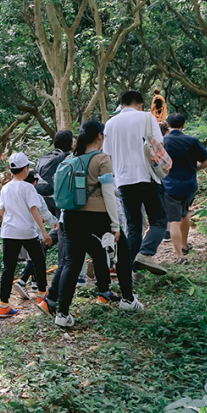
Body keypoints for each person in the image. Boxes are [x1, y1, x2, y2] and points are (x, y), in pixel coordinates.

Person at [50, 121, 145, 327]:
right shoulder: (102, 159)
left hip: (72, 215)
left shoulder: (71, 159)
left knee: (72, 263)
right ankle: (128, 299)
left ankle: (62, 313)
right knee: (123, 250)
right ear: (100, 136)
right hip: (97, 214)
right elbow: (108, 194)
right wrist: (115, 224)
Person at [103, 90, 169, 275]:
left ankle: (129, 271)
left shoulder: (110, 124)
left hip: (123, 181)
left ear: (122, 104)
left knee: (133, 227)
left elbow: (107, 155)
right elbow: (159, 147)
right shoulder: (147, 118)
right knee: (158, 221)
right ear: (140, 104)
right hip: (147, 177)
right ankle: (146, 253)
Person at [0, 153, 52, 318]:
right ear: (26, 169)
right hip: (26, 232)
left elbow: (1, 211)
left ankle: (3, 305)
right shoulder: (28, 187)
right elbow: (34, 209)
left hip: (9, 232)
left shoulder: (5, 188)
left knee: (8, 268)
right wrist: (44, 231)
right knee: (39, 261)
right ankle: (42, 295)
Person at [162, 113, 207, 263]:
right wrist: (196, 168)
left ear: (167, 125)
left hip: (169, 186)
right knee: (185, 214)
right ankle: (185, 245)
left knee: (174, 221)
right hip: (189, 185)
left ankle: (180, 256)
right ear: (183, 125)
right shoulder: (192, 141)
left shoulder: (162, 142)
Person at [34, 130, 74, 217]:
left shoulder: (48, 156)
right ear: (70, 143)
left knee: (55, 224)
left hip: (42, 196)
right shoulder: (68, 158)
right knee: (62, 225)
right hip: (58, 197)